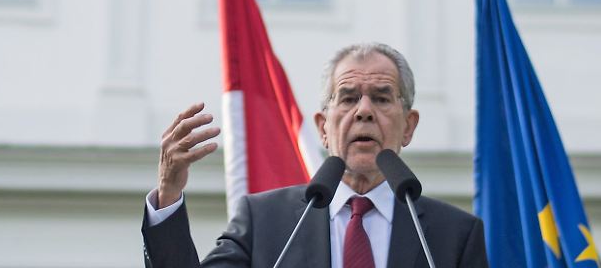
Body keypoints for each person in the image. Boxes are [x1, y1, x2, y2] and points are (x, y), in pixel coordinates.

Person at [142, 43, 488, 268]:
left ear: (408, 127)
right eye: (349, 98)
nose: (364, 111)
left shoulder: (454, 234)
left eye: (382, 98)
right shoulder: (265, 221)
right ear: (323, 127)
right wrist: (169, 195)